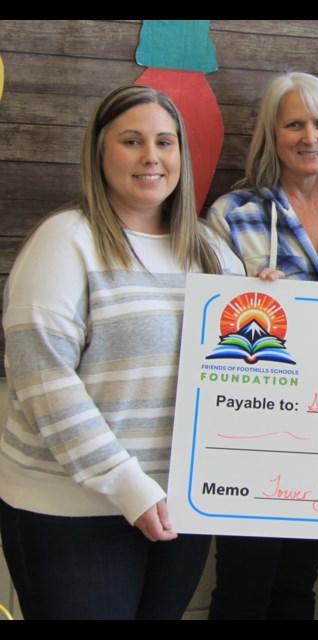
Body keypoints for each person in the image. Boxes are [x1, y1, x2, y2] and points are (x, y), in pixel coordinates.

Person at [0, 85, 243, 619]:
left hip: (179, 506)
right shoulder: (66, 241)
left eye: (165, 141)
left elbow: (239, 372)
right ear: (99, 153)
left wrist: (274, 303)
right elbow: (42, 378)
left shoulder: (213, 252)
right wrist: (130, 487)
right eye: (131, 141)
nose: (152, 156)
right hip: (72, 510)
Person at [206, 72, 318, 619]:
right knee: (244, 587)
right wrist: (244, 305)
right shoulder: (231, 216)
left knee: (297, 587)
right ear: (271, 134)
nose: (309, 136)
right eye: (293, 124)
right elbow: (207, 329)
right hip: (253, 431)